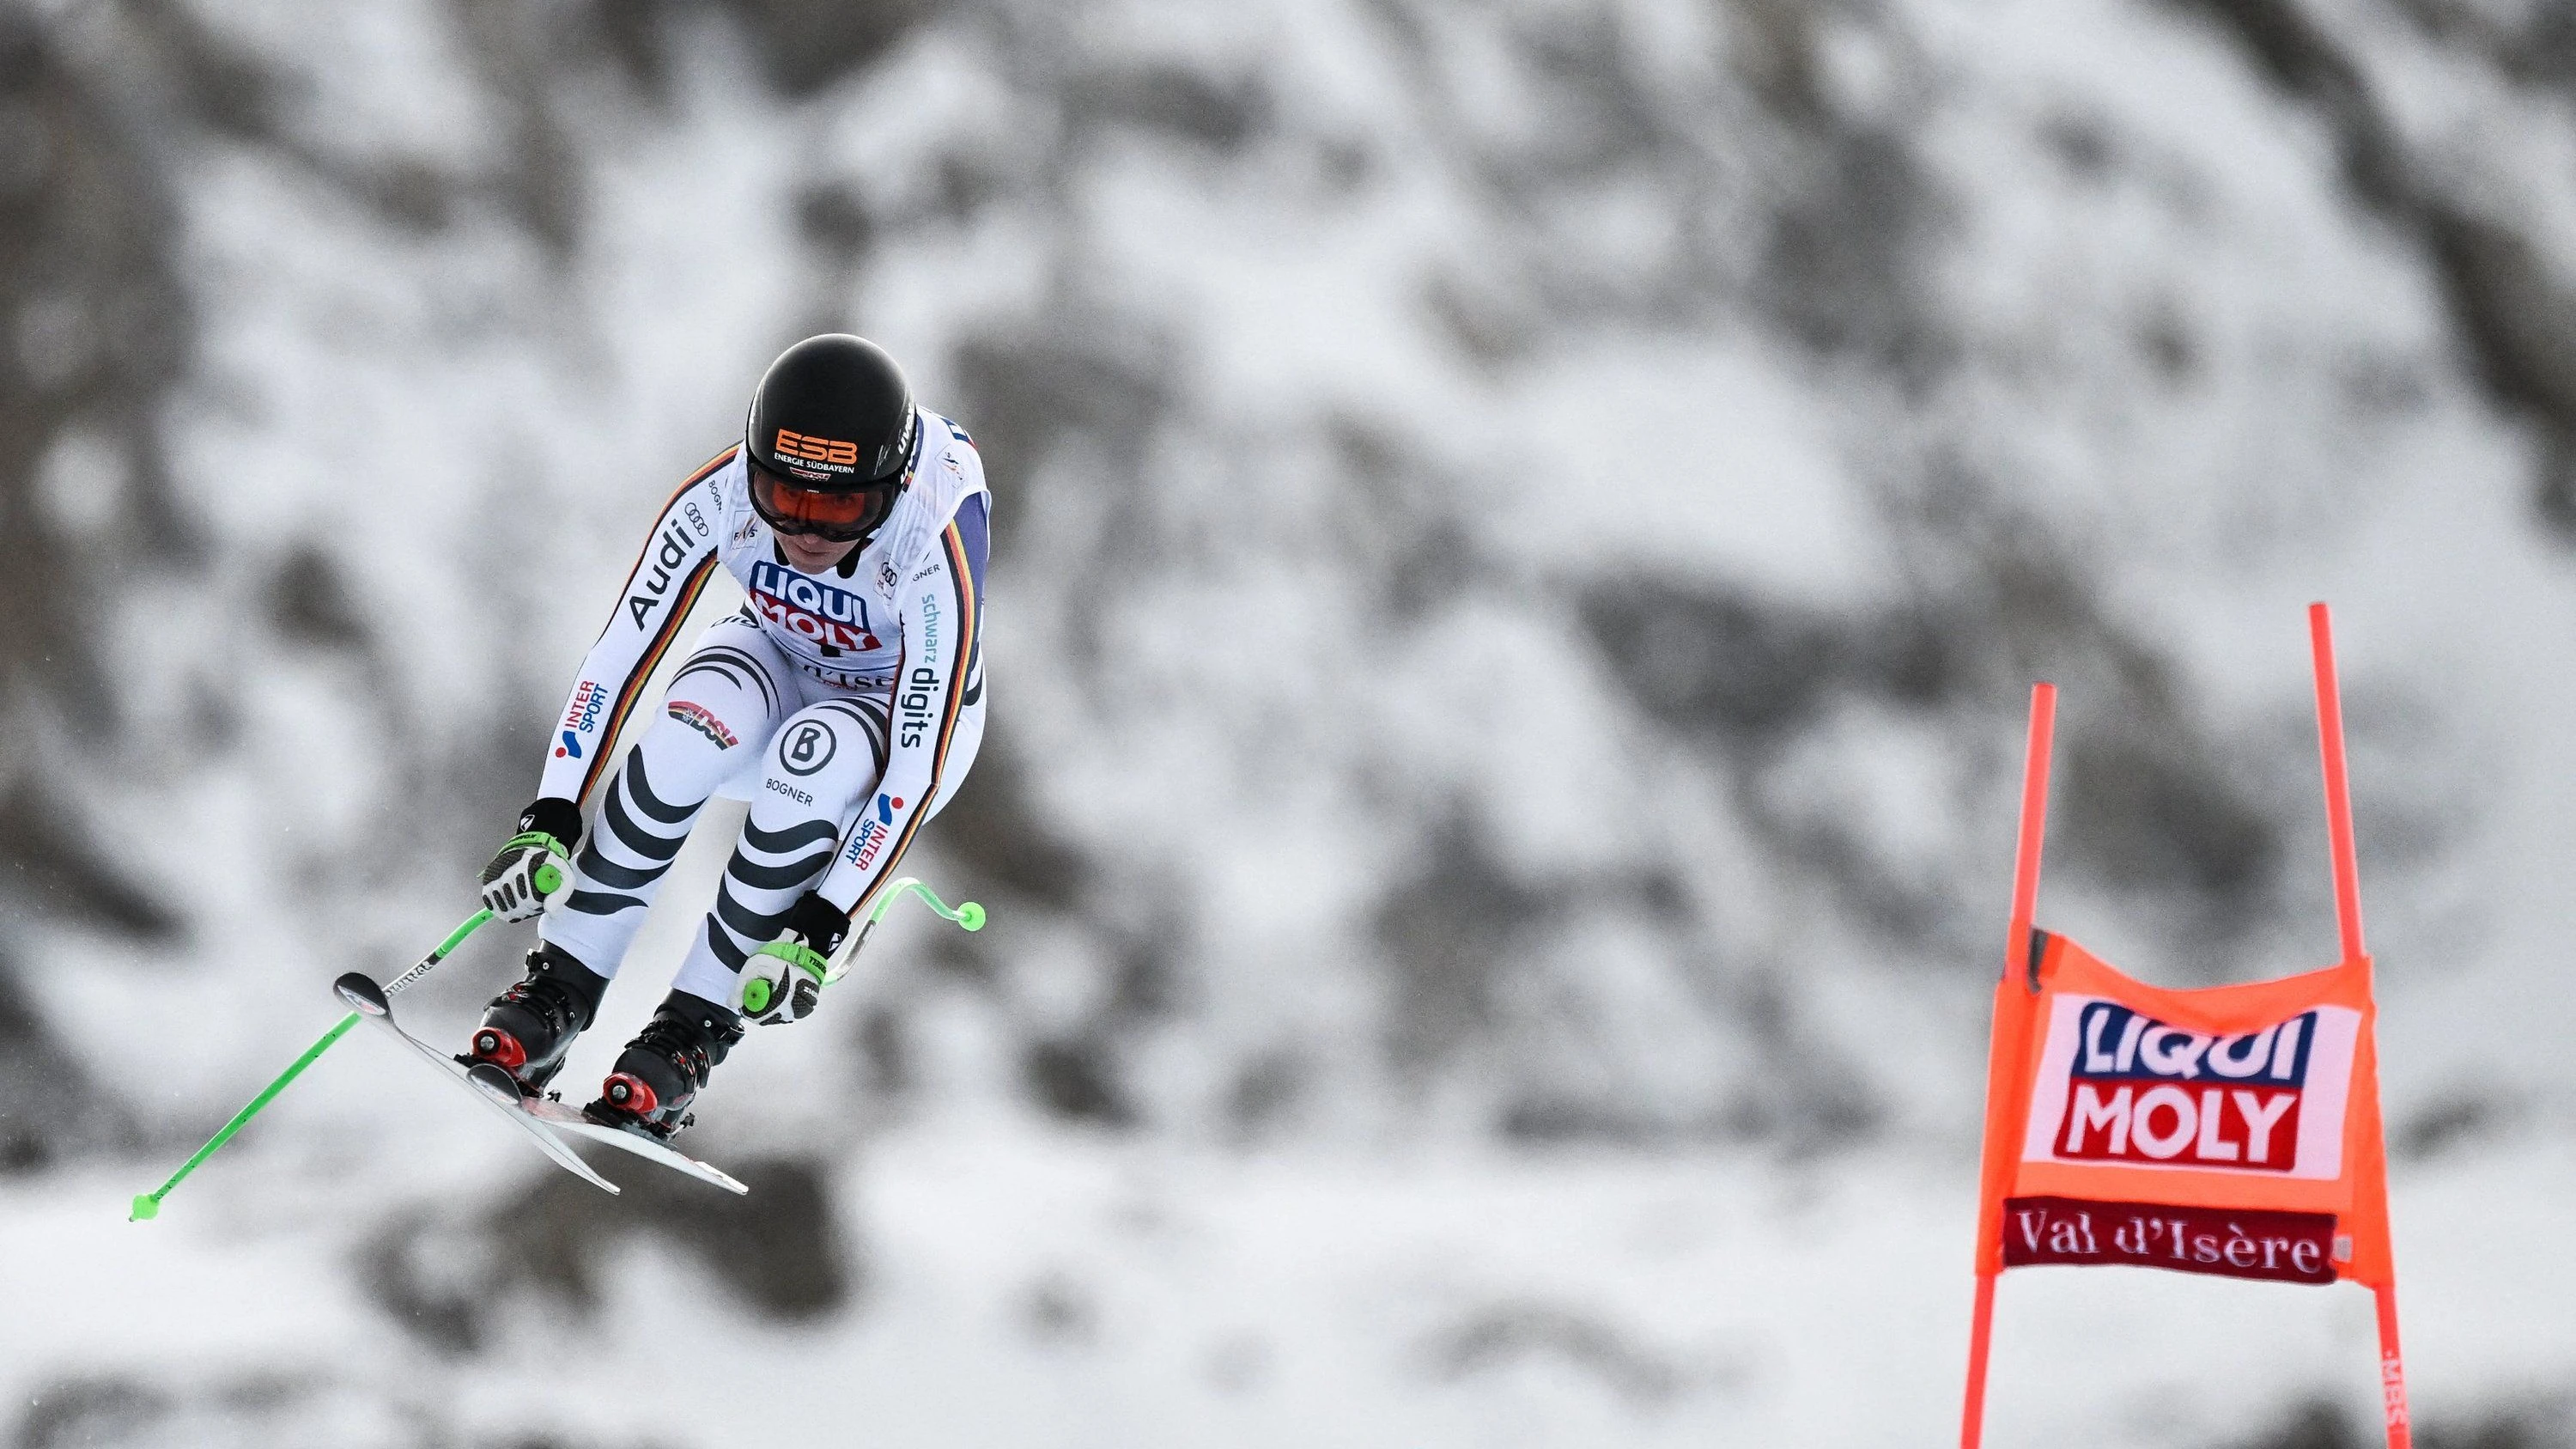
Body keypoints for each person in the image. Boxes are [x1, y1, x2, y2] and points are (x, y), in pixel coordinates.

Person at [464, 334, 988, 1140]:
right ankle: (558, 990)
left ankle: (689, 1036)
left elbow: (917, 766)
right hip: (777, 653)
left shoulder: (932, 529)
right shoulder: (722, 493)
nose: (805, 530)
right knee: (690, 722)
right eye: (782, 496)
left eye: (839, 510)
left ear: (889, 490)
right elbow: (620, 655)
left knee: (813, 761)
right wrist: (551, 814)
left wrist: (822, 923)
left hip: (894, 710)